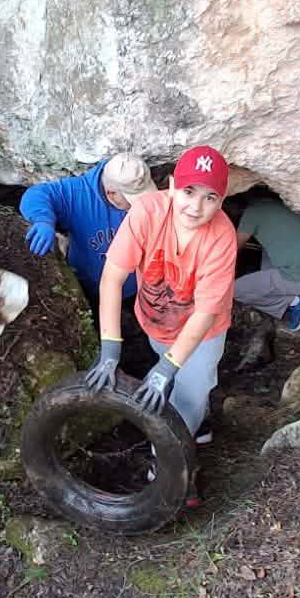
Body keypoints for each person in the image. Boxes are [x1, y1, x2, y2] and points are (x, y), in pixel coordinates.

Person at [84, 144, 238, 458]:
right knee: (178, 382)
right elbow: (113, 278)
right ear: (171, 186)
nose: (196, 207)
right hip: (156, 322)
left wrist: (166, 368)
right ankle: (200, 421)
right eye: (189, 192)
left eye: (210, 197)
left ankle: (170, 467)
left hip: (202, 334)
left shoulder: (222, 235)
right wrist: (111, 350)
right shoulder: (147, 212)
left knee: (186, 400)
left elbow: (206, 313)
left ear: (222, 201)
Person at [19, 153, 155, 305]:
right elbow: (35, 194)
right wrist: (43, 220)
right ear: (111, 193)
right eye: (132, 200)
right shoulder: (78, 194)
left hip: (138, 290)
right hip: (91, 291)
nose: (140, 206)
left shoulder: (134, 182)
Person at [232, 196, 300, 331]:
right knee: (267, 249)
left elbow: (233, 248)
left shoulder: (252, 213)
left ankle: (295, 302)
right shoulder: (285, 205)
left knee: (235, 290)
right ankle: (281, 288)